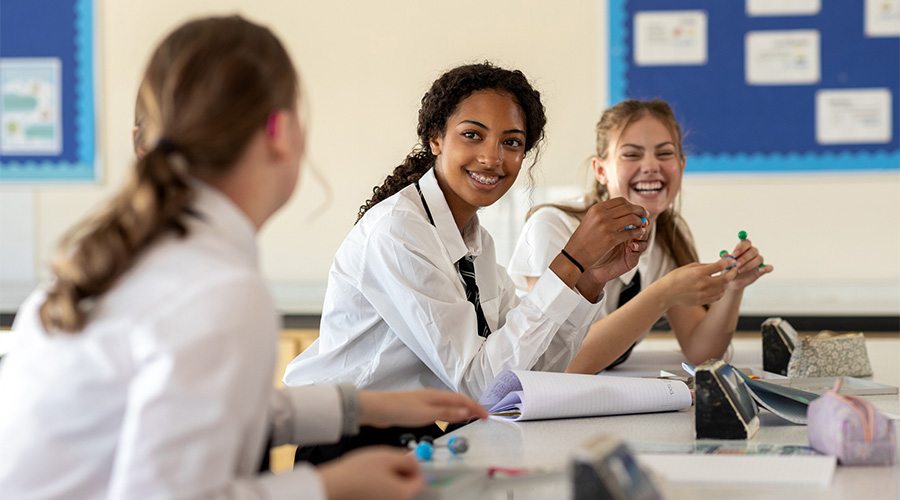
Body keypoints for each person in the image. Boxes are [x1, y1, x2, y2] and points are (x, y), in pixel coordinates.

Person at [0, 16, 486, 500]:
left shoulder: (142, 256)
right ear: (281, 132)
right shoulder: (218, 289)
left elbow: (203, 410)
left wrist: (365, 409)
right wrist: (328, 486)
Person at [283, 63, 650, 461]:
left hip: (413, 432)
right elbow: (476, 384)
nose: (492, 158)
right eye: (472, 135)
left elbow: (526, 373)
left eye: (511, 143)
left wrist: (588, 281)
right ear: (436, 138)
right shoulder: (398, 230)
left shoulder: (478, 244)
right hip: (349, 442)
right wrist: (569, 261)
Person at [507, 99, 773, 374]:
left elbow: (701, 352)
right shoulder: (551, 227)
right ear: (601, 170)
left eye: (665, 153)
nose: (650, 166)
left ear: (681, 166)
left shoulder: (667, 237)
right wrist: (663, 293)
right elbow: (563, 363)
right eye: (632, 155)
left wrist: (733, 287)